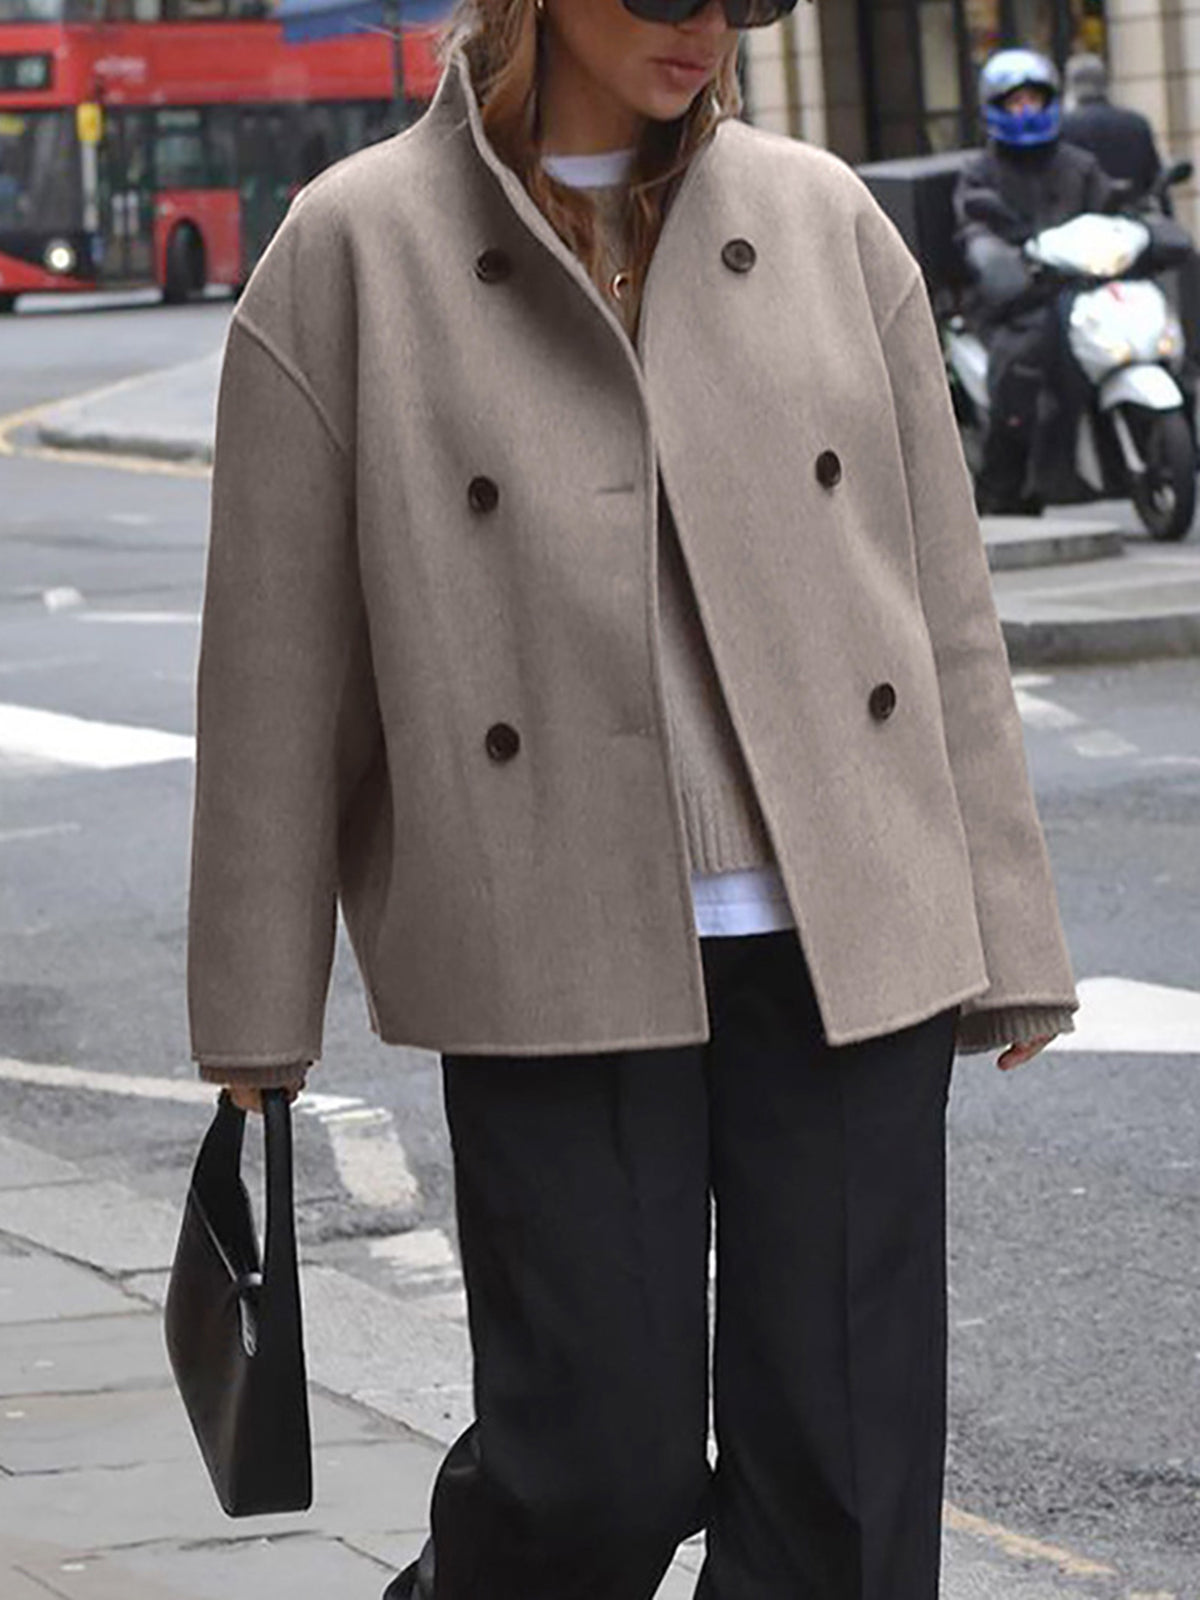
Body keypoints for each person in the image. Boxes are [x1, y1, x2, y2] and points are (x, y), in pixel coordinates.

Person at [187, 2, 1079, 1596]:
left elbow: (943, 604)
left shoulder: (825, 221)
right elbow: (276, 658)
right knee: (592, 1467)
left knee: (849, 1494)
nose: (709, 30)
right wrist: (258, 1009)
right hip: (553, 946)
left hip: (849, 934)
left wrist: (1008, 927)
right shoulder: (356, 248)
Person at [954, 48, 1115, 514]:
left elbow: (1111, 208)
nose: (1025, 110)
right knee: (1021, 363)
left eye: (1032, 100)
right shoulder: (980, 172)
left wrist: (1139, 226)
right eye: (1014, 102)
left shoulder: (1079, 164)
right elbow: (973, 225)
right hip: (1013, 299)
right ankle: (1003, 483)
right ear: (995, 108)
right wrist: (995, 257)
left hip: (1083, 287)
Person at [1062, 51, 1164, 206]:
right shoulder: (1136, 123)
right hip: (1133, 217)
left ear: (1071, 86)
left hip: (1081, 218)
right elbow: (1154, 179)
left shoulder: (1064, 126)